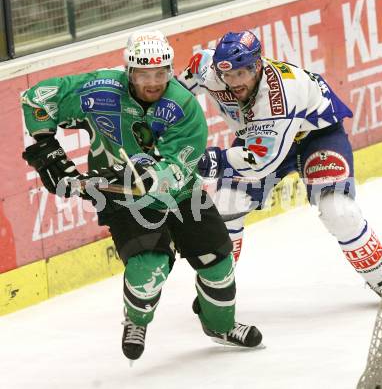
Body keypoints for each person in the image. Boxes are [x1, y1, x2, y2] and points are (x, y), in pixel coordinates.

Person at [21, 29, 263, 361]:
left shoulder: (183, 107)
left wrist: (141, 178)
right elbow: (36, 97)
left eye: (160, 73)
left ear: (170, 70)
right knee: (148, 268)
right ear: (129, 72)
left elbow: (179, 167)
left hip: (180, 194)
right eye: (143, 74)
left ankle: (220, 325)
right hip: (124, 200)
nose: (152, 81)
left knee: (217, 261)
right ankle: (137, 321)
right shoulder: (101, 88)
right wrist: (47, 147)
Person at [178, 30, 382, 299]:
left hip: (315, 137)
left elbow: (259, 162)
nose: (235, 82)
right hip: (260, 140)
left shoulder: (281, 92)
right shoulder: (206, 68)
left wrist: (207, 161)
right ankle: (218, 292)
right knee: (226, 203)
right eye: (228, 75)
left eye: (242, 73)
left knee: (339, 211)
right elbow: (173, 94)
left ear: (257, 65)